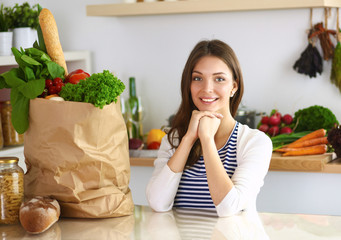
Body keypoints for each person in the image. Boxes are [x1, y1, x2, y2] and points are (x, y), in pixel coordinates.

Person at [146, 39, 272, 217]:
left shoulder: (255, 142)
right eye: (198, 78)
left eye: (219, 79)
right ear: (188, 85)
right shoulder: (174, 140)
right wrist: (189, 139)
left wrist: (206, 139)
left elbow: (229, 207)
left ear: (233, 87)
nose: (207, 89)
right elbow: (158, 203)